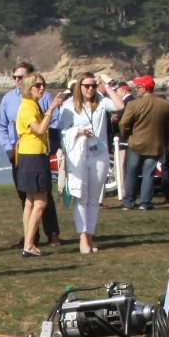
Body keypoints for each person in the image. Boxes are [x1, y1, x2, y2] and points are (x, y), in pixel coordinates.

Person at [0, 61, 61, 246]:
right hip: (25, 154)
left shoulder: (41, 98)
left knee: (40, 197)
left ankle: (50, 233)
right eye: (15, 77)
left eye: (22, 76)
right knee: (30, 198)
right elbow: (3, 125)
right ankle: (30, 240)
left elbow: (54, 125)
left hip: (37, 152)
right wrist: (8, 147)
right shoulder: (16, 101)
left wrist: (52, 146)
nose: (18, 80)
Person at [58, 72, 117, 251]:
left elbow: (119, 105)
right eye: (86, 86)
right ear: (79, 87)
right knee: (80, 197)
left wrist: (107, 85)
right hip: (80, 155)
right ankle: (83, 237)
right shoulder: (69, 106)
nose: (90, 89)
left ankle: (90, 236)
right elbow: (62, 132)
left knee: (93, 199)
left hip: (100, 154)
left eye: (93, 85)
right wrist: (78, 132)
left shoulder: (101, 102)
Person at [14, 74, 61, 255]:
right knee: (41, 202)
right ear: (28, 88)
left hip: (33, 155)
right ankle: (28, 246)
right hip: (33, 157)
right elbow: (40, 129)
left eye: (43, 85)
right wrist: (52, 108)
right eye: (37, 85)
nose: (42, 88)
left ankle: (30, 243)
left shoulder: (33, 105)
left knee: (30, 201)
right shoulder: (27, 107)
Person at [117, 75, 169, 210]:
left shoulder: (133, 104)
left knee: (131, 173)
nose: (136, 89)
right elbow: (168, 127)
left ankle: (128, 202)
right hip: (155, 143)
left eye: (138, 87)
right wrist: (165, 142)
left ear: (144, 88)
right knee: (148, 173)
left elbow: (123, 123)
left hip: (136, 143)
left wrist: (126, 135)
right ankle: (145, 203)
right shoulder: (164, 104)